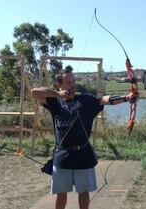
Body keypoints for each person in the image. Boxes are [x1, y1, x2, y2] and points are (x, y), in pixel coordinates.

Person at [31, 68, 138, 209]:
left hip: (83, 154)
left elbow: (105, 100)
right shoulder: (54, 101)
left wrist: (127, 98)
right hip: (63, 155)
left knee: (84, 192)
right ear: (59, 84)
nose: (73, 85)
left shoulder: (86, 100)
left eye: (74, 81)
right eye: (69, 82)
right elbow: (34, 92)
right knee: (61, 193)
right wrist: (57, 94)